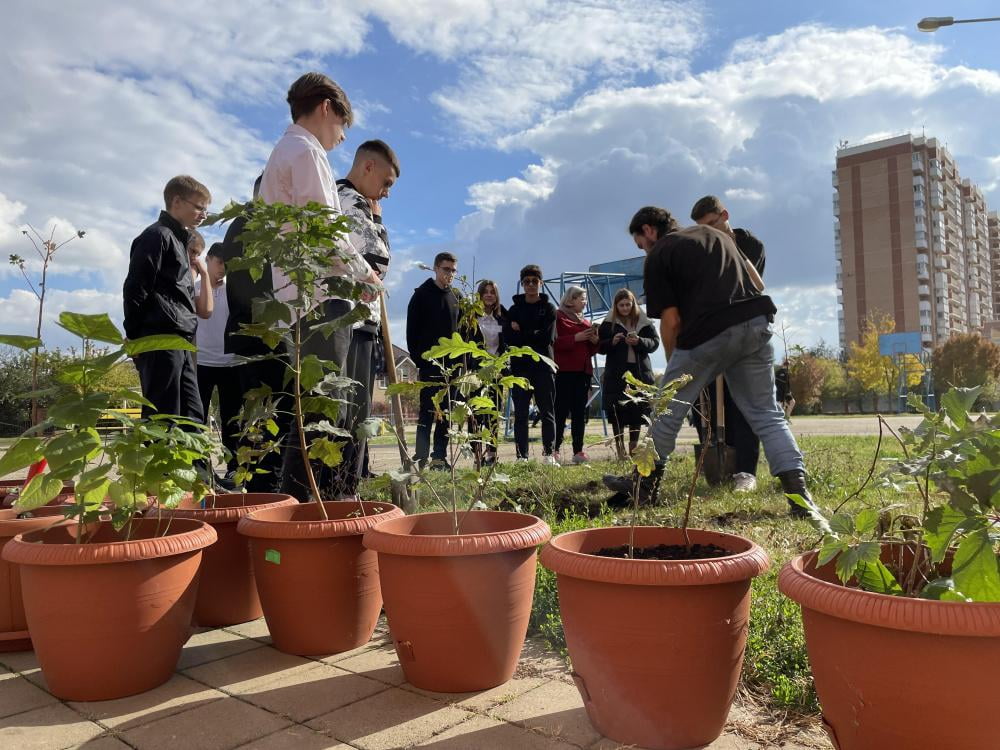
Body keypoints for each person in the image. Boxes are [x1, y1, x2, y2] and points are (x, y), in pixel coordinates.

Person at [602, 206, 817, 517]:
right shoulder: (717, 236)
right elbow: (757, 284)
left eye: (640, 243)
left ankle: (643, 487)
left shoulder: (661, 253)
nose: (643, 249)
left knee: (666, 411)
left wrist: (675, 369)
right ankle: (801, 499)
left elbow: (671, 320)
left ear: (648, 230)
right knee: (767, 414)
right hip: (755, 323)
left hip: (708, 333)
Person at [258, 72, 380, 501]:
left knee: (313, 405)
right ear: (326, 107)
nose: (343, 137)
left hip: (295, 296)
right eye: (343, 125)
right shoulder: (307, 153)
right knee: (326, 408)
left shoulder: (283, 152)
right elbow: (324, 230)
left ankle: (305, 504)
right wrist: (367, 273)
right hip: (321, 297)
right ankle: (315, 506)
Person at [689, 195, 766, 492]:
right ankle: (719, 460)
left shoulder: (751, 245)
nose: (708, 232)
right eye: (702, 228)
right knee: (709, 401)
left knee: (742, 403)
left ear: (724, 215)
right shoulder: (704, 251)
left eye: (711, 224)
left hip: (745, 334)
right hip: (712, 336)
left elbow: (747, 287)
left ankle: (746, 471)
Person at [336, 139, 401, 494]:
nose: (387, 193)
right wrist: (376, 220)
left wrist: (376, 219)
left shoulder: (363, 203)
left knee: (359, 412)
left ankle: (349, 486)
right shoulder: (348, 200)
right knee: (348, 412)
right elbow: (378, 262)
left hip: (363, 321)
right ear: (368, 167)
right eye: (387, 183)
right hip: (348, 319)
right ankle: (342, 491)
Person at [123, 175, 214, 421]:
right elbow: (135, 288)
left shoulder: (179, 241)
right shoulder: (157, 236)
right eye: (199, 207)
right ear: (176, 201)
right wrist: (135, 338)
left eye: (206, 209)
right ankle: (159, 460)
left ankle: (194, 462)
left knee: (192, 417)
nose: (204, 215)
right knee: (163, 417)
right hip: (160, 339)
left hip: (181, 340)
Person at [407, 252, 461, 469]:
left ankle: (439, 456)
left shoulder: (457, 297)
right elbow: (412, 332)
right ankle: (420, 456)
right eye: (446, 269)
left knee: (446, 413)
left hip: (453, 366)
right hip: (430, 365)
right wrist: (420, 360)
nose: (450, 274)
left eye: (453, 270)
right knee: (427, 411)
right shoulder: (421, 295)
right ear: (436, 268)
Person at [194, 243, 241, 477]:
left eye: (226, 264)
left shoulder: (234, 291)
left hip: (230, 363)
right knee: (198, 418)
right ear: (208, 259)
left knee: (232, 419)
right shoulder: (194, 288)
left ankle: (234, 469)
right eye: (219, 262)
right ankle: (201, 468)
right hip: (200, 362)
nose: (222, 269)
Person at [504, 265, 557, 464]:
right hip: (520, 368)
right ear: (522, 284)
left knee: (547, 411)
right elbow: (510, 339)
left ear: (540, 283)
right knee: (521, 414)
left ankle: (549, 454)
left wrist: (522, 331)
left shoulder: (549, 308)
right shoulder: (514, 310)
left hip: (543, 367)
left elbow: (546, 338)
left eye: (535, 281)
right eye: (527, 281)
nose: (531, 285)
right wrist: (531, 333)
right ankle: (522, 456)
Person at [598, 288, 659, 459]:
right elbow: (600, 347)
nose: (625, 308)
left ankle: (633, 447)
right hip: (616, 374)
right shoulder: (608, 323)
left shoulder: (644, 322)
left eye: (628, 304)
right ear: (616, 306)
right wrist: (613, 341)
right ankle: (620, 448)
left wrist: (640, 341)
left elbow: (654, 343)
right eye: (621, 305)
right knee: (617, 410)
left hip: (639, 373)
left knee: (636, 411)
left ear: (633, 304)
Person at [553, 285, 598, 464]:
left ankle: (578, 451)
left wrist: (595, 341)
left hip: (583, 373)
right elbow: (553, 342)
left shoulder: (586, 322)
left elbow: (592, 350)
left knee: (580, 413)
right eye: (582, 298)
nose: (585, 302)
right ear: (571, 300)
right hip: (564, 372)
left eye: (585, 299)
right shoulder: (558, 316)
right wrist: (575, 338)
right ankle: (553, 450)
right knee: (560, 411)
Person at [470, 279, 507, 465]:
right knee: (476, 414)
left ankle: (492, 455)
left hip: (496, 372)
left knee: (493, 414)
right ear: (480, 294)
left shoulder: (502, 316)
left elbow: (506, 343)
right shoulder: (471, 317)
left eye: (492, 292)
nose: (489, 295)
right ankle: (477, 456)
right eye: (486, 291)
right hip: (476, 371)